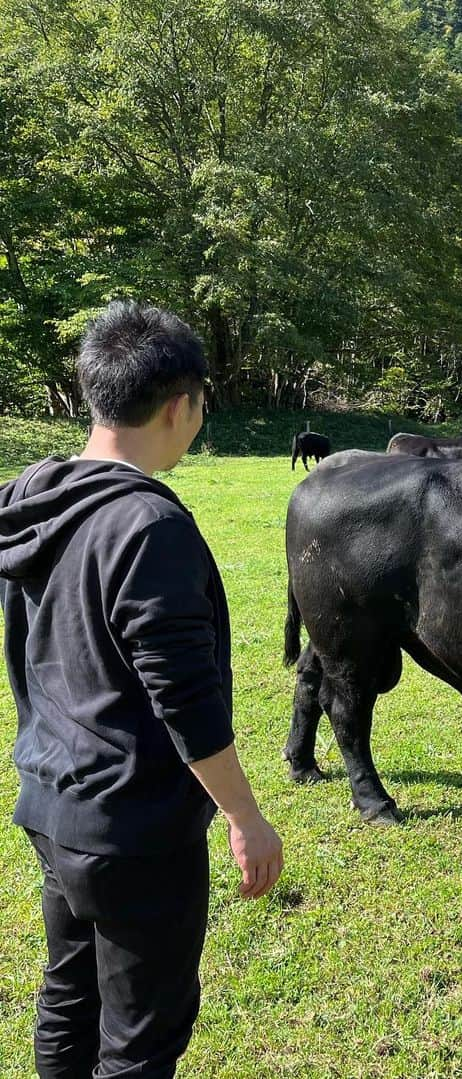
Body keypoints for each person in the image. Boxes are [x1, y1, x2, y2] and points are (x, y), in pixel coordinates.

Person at [0, 301, 283, 1077]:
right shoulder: (146, 527)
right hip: (132, 825)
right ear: (179, 404)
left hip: (51, 803)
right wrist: (246, 817)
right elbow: (185, 699)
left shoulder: (32, 494)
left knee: (70, 994)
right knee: (142, 1036)